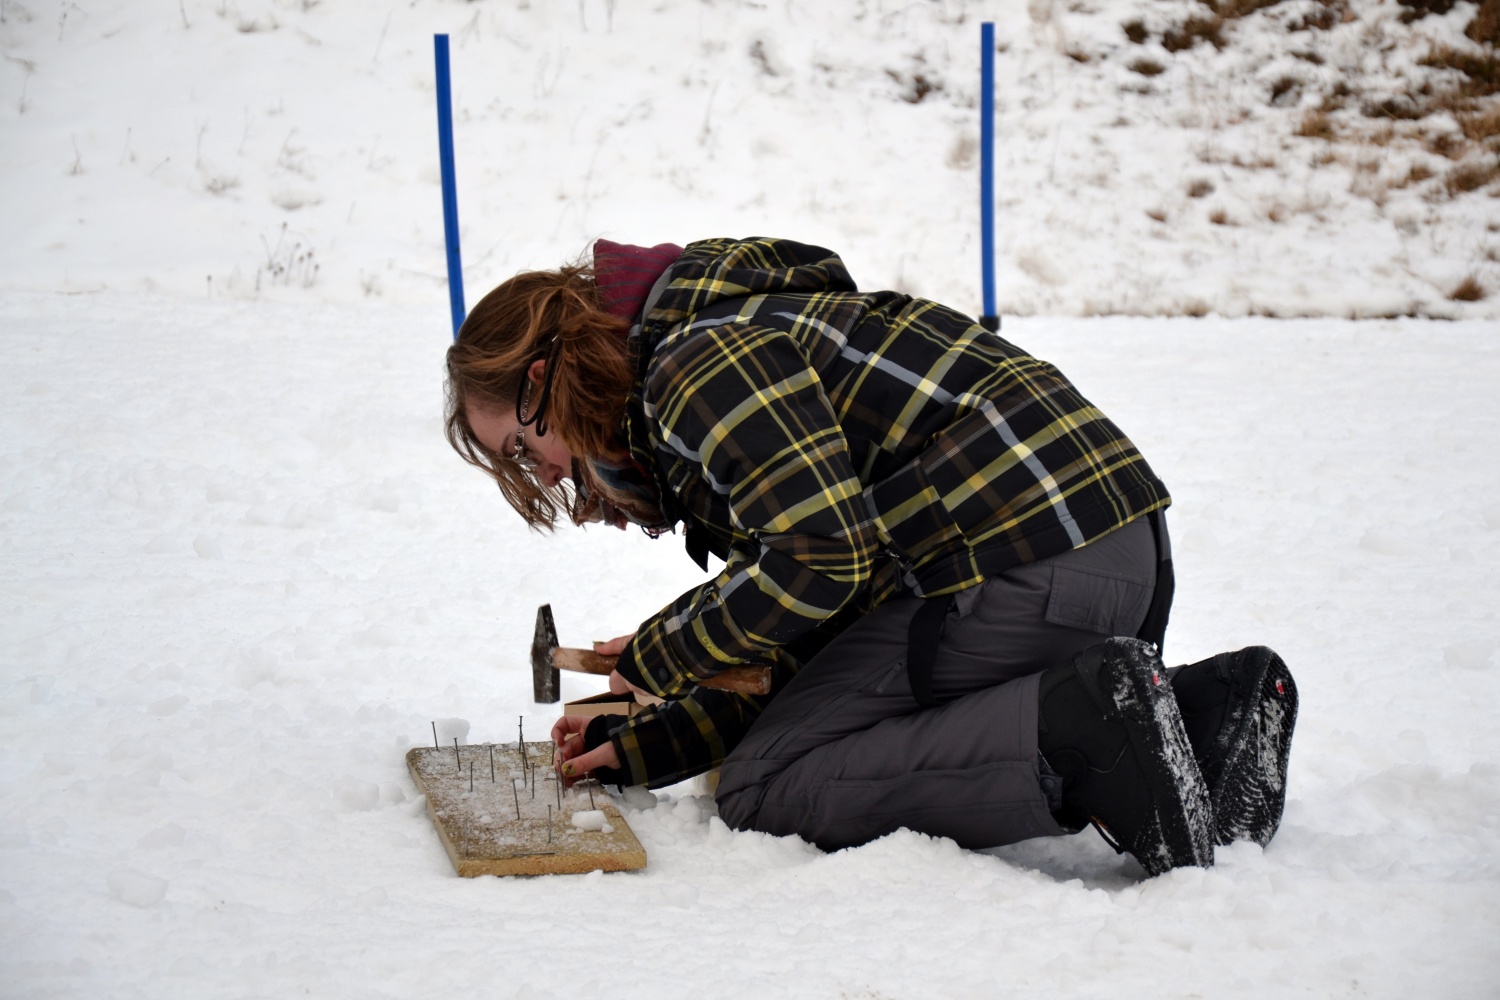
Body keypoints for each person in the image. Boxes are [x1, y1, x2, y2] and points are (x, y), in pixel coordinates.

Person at [444, 236, 1298, 876]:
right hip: (1114, 560)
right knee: (794, 737)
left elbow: (823, 560)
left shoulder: (697, 363)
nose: (545, 472)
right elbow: (819, 625)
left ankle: (1080, 732)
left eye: (525, 446)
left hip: (1019, 565)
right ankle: (1202, 717)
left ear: (548, 371)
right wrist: (658, 740)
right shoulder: (729, 332)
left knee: (765, 787)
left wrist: (669, 651)